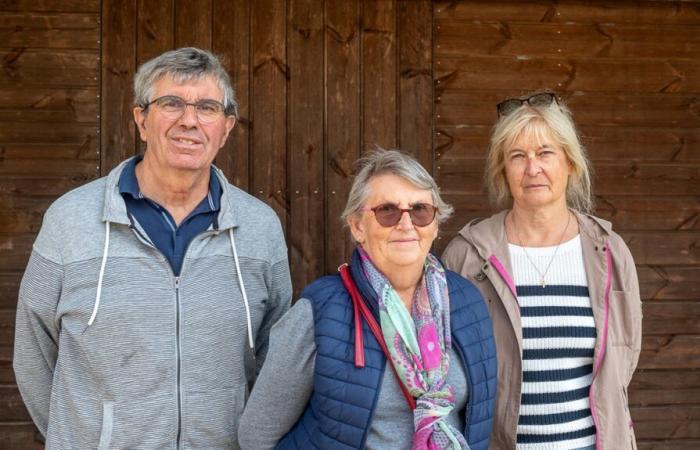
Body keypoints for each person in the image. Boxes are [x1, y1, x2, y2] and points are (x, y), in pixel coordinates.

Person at [13, 47, 292, 449]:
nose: (189, 121)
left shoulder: (259, 227)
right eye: (171, 103)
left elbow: (274, 355)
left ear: (226, 127)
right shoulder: (70, 220)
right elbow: (34, 353)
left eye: (207, 107)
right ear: (141, 119)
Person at [238, 149, 497, 450]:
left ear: (436, 224)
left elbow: (477, 422)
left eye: (420, 210)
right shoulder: (319, 311)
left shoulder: (466, 302)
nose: (406, 224)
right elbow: (257, 435)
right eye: (387, 211)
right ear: (358, 226)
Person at [442, 91, 642, 449]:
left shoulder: (609, 252)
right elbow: (447, 370)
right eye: (518, 156)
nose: (533, 168)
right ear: (503, 169)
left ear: (570, 162)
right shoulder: (467, 257)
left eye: (545, 152)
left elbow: (624, 359)